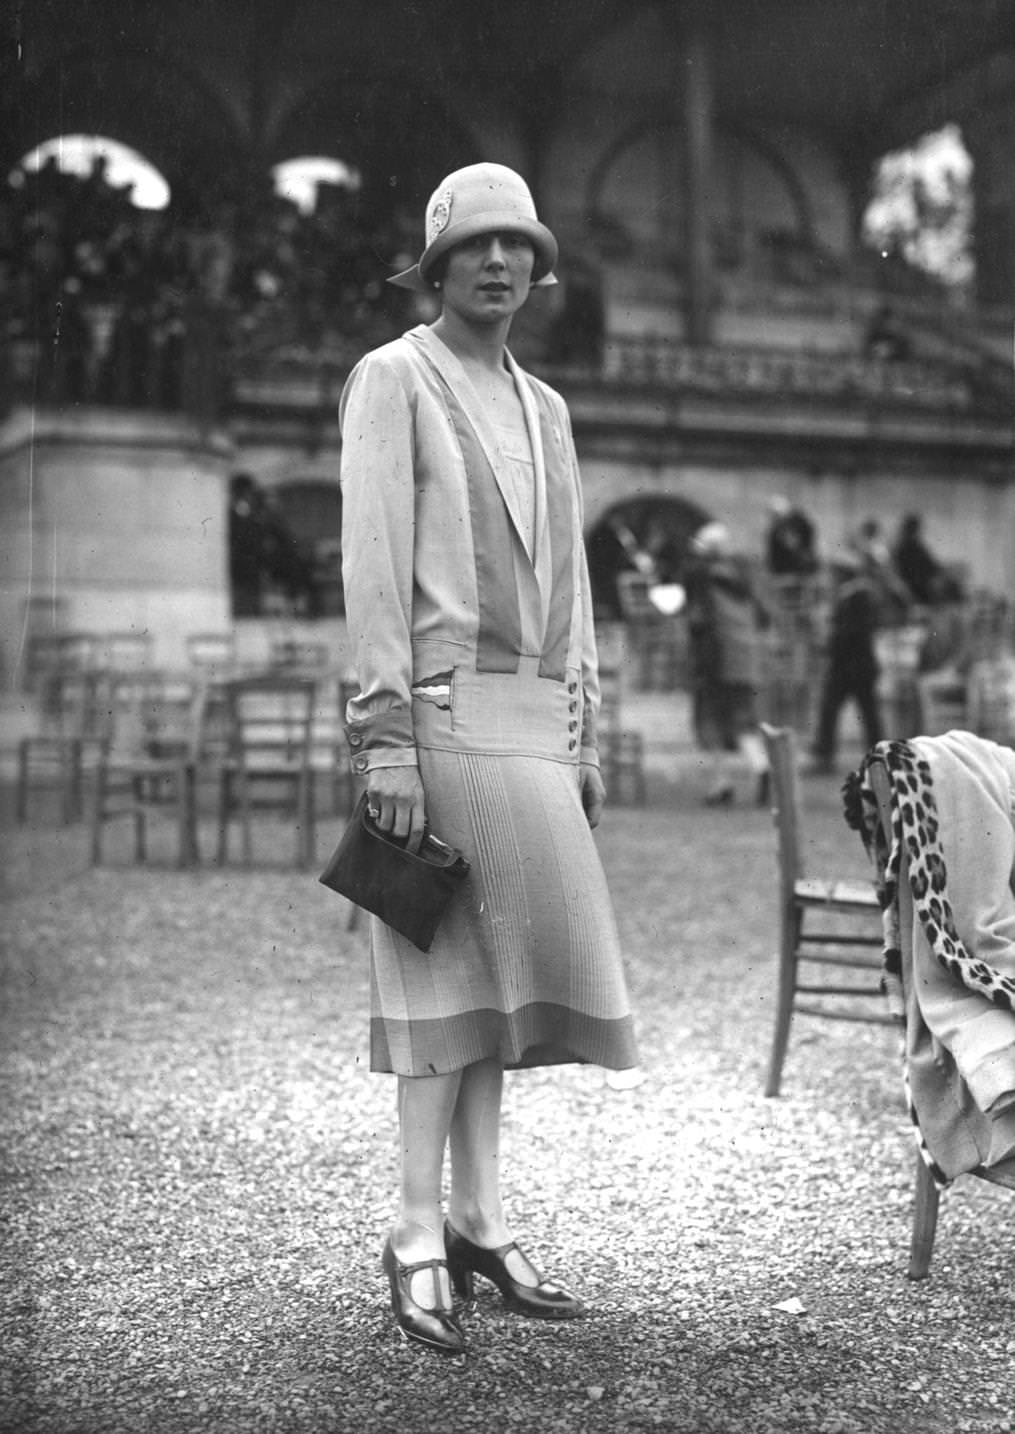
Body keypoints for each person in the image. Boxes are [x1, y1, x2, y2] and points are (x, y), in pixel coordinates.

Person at [338, 163, 638, 1356]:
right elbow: (371, 568)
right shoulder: (391, 379)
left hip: (531, 728)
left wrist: (585, 731)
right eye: (476, 248)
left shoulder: (548, 408)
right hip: (439, 718)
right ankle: (414, 1233)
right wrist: (383, 742)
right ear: (440, 264)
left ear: (536, 268)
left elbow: (576, 590)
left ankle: (478, 1217)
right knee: (440, 994)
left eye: (517, 246)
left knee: (505, 993)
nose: (499, 265)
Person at [683, 521, 770, 806]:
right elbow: (763, 616)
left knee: (711, 722)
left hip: (716, 657)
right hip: (746, 658)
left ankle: (721, 785)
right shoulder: (742, 577)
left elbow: (698, 620)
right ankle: (761, 767)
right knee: (743, 721)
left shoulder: (704, 578)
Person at [809, 550, 883, 774]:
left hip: (850, 665)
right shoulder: (853, 595)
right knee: (864, 712)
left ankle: (826, 754)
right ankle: (876, 755)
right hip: (856, 665)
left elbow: (851, 632)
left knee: (844, 710)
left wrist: (829, 641)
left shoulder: (857, 596)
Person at [892, 512, 962, 607]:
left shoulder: (900, 545)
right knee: (952, 584)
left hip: (912, 583)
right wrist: (946, 571)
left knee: (951, 578)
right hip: (919, 586)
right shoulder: (913, 546)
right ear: (915, 529)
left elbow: (928, 565)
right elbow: (930, 566)